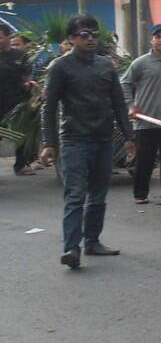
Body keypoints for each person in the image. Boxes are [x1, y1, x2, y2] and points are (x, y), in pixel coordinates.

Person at [38, 15, 134, 268]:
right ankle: (72, 248)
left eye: (94, 34)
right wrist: (49, 143)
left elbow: (118, 104)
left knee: (99, 195)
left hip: (103, 140)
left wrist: (129, 137)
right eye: (84, 35)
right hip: (74, 140)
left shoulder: (106, 66)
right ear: (71, 39)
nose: (90, 38)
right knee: (75, 195)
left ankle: (92, 240)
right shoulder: (60, 67)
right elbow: (49, 108)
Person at [121, 24, 161, 204]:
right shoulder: (140, 63)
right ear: (152, 40)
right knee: (145, 160)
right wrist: (131, 105)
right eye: (158, 37)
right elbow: (125, 83)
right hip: (146, 121)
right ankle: (140, 194)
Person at [0, 21, 39, 176]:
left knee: (21, 133)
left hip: (18, 100)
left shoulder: (21, 56)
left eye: (1, 37)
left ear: (9, 37)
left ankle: (21, 165)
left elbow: (27, 76)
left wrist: (29, 87)